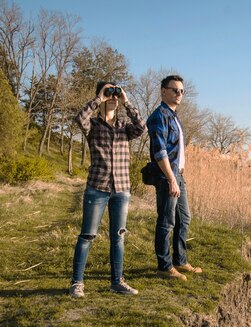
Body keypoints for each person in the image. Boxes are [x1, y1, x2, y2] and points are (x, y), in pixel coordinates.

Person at [69, 81, 146, 298]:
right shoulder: (92, 125)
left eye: (115, 93)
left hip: (121, 189)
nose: (113, 96)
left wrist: (127, 101)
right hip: (97, 187)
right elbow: (79, 118)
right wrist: (99, 99)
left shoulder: (124, 126)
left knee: (118, 236)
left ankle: (117, 282)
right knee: (87, 235)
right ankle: (77, 283)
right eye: (109, 92)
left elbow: (142, 127)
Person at [147, 75, 202, 281]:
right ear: (163, 91)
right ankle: (164, 266)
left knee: (184, 218)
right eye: (175, 90)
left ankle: (180, 260)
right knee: (166, 221)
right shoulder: (159, 116)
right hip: (166, 176)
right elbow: (159, 151)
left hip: (178, 174)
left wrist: (178, 175)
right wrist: (171, 178)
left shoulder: (174, 116)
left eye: (182, 91)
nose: (179, 94)